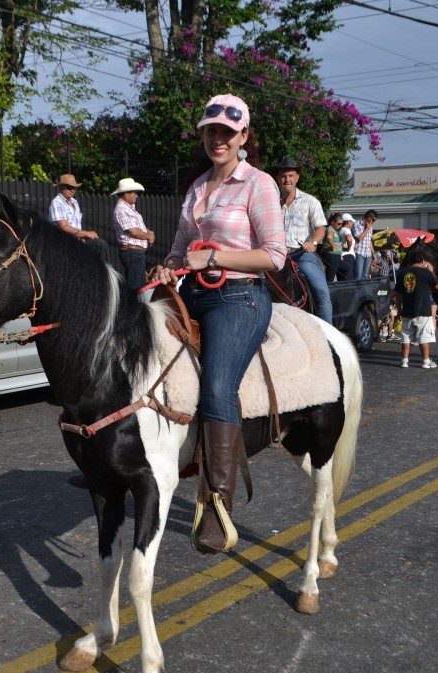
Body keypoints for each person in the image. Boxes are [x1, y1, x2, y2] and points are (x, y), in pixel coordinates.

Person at [155, 93, 285, 554]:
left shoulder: (259, 184)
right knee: (133, 349)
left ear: (243, 137)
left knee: (215, 387)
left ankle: (217, 505)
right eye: (211, 131)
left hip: (239, 297)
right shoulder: (196, 188)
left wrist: (212, 256)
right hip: (190, 293)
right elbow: (178, 249)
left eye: (227, 133)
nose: (218, 139)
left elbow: (273, 255)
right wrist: (170, 265)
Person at [273, 156, 332, 324]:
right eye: (283, 176)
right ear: (278, 178)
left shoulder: (310, 201)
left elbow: (321, 228)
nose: (287, 179)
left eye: (291, 175)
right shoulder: (273, 203)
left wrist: (312, 243)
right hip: (276, 256)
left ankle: (329, 335)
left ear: (297, 177)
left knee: (321, 292)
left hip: (301, 254)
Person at [395, 251, 438, 368]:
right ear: (422, 261)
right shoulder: (426, 273)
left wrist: (399, 309)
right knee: (424, 337)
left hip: (407, 310)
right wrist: (431, 271)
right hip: (423, 310)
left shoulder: (403, 273)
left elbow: (398, 294)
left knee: (406, 337)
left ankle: (404, 361)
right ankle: (426, 361)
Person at [49, 174, 109, 261]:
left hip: (76, 242)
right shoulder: (57, 203)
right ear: (61, 187)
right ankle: (107, 273)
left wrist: (82, 237)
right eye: (69, 187)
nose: (72, 190)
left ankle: (102, 272)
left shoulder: (74, 202)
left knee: (97, 247)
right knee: (100, 245)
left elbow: (76, 226)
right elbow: (64, 227)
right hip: (63, 243)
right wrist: (86, 233)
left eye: (74, 187)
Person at [111, 177, 155, 291]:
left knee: (139, 288)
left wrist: (148, 232)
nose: (136, 195)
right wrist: (148, 236)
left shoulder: (129, 209)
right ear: (126, 194)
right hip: (132, 252)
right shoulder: (121, 209)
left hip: (135, 252)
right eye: (134, 193)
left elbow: (137, 229)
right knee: (134, 288)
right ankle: (129, 308)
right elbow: (134, 232)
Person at [351, 210, 378, 280]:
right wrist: (367, 228)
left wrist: (373, 253)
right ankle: (356, 290)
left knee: (365, 276)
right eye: (373, 220)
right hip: (359, 253)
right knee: (358, 275)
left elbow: (369, 241)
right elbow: (359, 238)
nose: (373, 222)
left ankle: (362, 290)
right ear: (369, 218)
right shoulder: (356, 224)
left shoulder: (370, 227)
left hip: (368, 254)